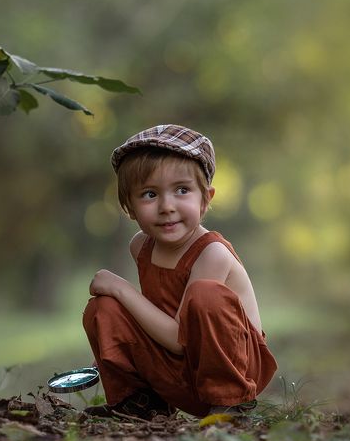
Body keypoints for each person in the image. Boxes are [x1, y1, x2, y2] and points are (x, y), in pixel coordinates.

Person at [82, 124, 278, 420]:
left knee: (205, 295)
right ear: (129, 207)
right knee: (103, 308)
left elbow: (178, 336)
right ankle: (141, 405)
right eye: (149, 194)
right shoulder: (141, 247)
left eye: (182, 190)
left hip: (233, 371)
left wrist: (121, 288)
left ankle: (232, 407)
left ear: (206, 198)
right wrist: (117, 351)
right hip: (181, 369)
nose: (166, 206)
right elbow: (156, 317)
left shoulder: (212, 253)